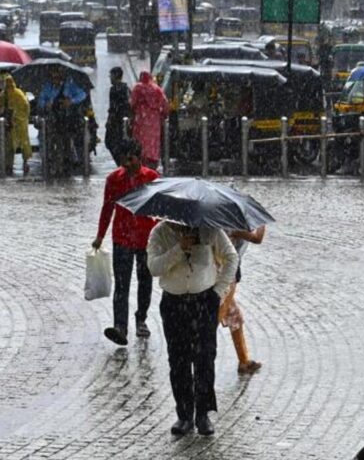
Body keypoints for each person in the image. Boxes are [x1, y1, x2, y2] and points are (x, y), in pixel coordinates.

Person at [147, 221, 238, 436]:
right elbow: (153, 267)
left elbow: (231, 257)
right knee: (178, 359)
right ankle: (184, 415)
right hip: (174, 303)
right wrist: (179, 249)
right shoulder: (159, 233)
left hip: (204, 301)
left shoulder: (210, 229)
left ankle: (203, 414)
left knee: (205, 357)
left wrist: (219, 291)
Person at [92, 139, 160, 346]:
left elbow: (160, 206)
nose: (127, 164)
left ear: (139, 158)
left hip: (145, 238)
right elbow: (107, 208)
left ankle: (141, 318)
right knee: (121, 284)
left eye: (131, 159)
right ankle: (120, 325)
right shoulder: (114, 179)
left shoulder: (151, 178)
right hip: (122, 238)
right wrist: (100, 236)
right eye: (123, 161)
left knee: (144, 280)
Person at [221, 225, 266, 374]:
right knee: (214, 319)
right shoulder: (230, 225)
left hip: (220, 274)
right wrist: (262, 222)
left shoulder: (218, 222)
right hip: (223, 277)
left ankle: (244, 361)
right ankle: (199, 357)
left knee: (235, 317)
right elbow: (257, 238)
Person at [37, 67, 88, 177]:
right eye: (52, 77)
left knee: (65, 143)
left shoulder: (69, 86)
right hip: (52, 120)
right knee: (50, 143)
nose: (54, 79)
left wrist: (71, 101)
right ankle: (53, 166)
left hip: (66, 121)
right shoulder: (47, 87)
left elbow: (82, 94)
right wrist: (46, 104)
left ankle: (64, 167)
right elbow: (41, 100)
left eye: (57, 77)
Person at [130, 71, 169, 168]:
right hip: (154, 120)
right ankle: (152, 159)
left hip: (141, 119)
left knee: (141, 140)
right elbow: (165, 104)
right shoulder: (156, 89)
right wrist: (164, 115)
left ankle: (142, 159)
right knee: (152, 141)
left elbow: (132, 103)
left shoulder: (138, 88)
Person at [0, 74, 32, 175]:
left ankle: (25, 162)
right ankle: (8, 165)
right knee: (9, 146)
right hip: (10, 124)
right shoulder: (4, 95)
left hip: (20, 124)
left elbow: (25, 108)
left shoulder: (19, 94)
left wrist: (16, 116)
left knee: (24, 145)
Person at [105, 67, 132, 166]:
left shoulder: (114, 90)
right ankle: (123, 162)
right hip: (124, 121)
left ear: (116, 76)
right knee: (121, 143)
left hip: (117, 121)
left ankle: (121, 163)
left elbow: (113, 107)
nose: (110, 78)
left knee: (111, 142)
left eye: (111, 76)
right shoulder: (126, 88)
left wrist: (110, 120)